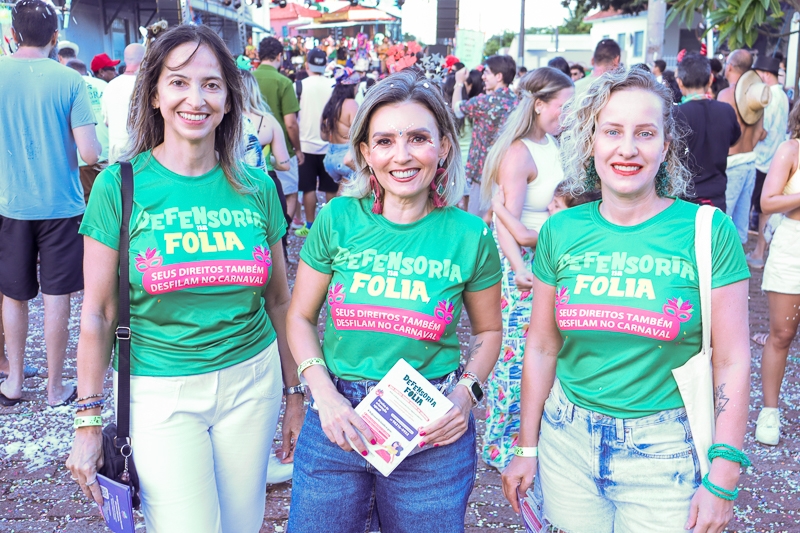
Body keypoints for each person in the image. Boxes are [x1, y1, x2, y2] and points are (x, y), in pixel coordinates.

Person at [65, 25, 303, 532]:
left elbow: (280, 301)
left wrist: (295, 393)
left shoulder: (257, 186)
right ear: (154, 94)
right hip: (159, 391)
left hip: (252, 384)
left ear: (229, 99)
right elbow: (98, 313)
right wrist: (87, 422)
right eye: (178, 82)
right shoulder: (118, 186)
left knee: (241, 525)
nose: (196, 99)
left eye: (211, 85)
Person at [501, 67, 752, 533]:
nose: (628, 148)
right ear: (590, 141)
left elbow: (733, 359)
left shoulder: (707, 231)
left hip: (665, 451)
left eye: (645, 133)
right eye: (612, 131)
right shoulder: (561, 230)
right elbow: (541, 346)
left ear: (667, 145)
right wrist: (526, 446)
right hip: (566, 443)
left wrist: (724, 472)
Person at [285, 70, 503, 533]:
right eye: (384, 141)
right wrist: (323, 394)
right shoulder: (337, 218)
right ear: (366, 153)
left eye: (418, 138)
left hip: (430, 430)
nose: (401, 155)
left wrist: (466, 395)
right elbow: (300, 317)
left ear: (444, 147)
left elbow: (488, 331)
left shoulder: (470, 234)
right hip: (336, 421)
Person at [0, 0, 100, 407]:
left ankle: (13, 381)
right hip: (62, 205)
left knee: (13, 294)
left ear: (13, 34)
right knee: (57, 296)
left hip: (10, 203)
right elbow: (90, 154)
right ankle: (55, 387)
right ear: (55, 37)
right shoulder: (70, 80)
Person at [477, 68, 574, 470]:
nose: (568, 114)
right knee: (514, 354)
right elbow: (505, 222)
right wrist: (518, 267)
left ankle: (531, 437)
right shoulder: (519, 153)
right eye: (563, 106)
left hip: (547, 257)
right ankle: (500, 444)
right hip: (524, 263)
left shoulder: (553, 143)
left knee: (546, 348)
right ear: (538, 105)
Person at [753, 101, 800, 446]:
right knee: (782, 334)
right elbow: (767, 202)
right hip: (793, 245)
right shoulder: (790, 150)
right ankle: (769, 412)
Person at [452, 55, 519, 219]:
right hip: (509, 171)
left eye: (487, 72)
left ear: (499, 76)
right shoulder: (517, 101)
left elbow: (457, 109)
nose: (483, 77)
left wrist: (459, 83)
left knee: (478, 224)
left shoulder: (486, 101)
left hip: (483, 174)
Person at [674, 53, 741, 212]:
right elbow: (734, 140)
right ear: (710, 79)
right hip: (716, 201)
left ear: (680, 82)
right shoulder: (726, 111)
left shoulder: (675, 114)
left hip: (683, 201)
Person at [240, 68, 293, 268]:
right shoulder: (268, 120)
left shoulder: (224, 119)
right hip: (268, 182)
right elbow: (285, 165)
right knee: (275, 235)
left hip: (234, 182)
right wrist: (266, 158)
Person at [717, 49, 770, 244]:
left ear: (730, 66)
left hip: (732, 162)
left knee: (721, 222)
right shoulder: (756, 94)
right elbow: (759, 131)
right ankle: (738, 261)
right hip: (750, 161)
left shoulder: (725, 94)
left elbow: (719, 133)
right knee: (740, 226)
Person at [254, 37, 304, 227]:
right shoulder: (283, 82)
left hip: (251, 150)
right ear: (279, 56)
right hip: (282, 152)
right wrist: (298, 150)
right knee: (290, 194)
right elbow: (290, 123)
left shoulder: (248, 79)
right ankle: (283, 234)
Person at [748, 55, 790, 268]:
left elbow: (763, 132)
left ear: (764, 75)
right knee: (765, 208)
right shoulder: (782, 95)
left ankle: (758, 254)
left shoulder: (769, 96)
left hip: (763, 160)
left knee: (762, 208)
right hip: (774, 159)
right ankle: (760, 252)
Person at [296, 48, 336, 237]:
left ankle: (310, 225)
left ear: (307, 65)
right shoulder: (334, 84)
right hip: (330, 144)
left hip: (305, 145)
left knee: (308, 189)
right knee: (331, 188)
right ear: (325, 65)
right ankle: (330, 226)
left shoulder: (299, 85)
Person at [66, 59, 110, 204]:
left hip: (81, 155)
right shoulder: (103, 85)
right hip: (106, 152)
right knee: (109, 199)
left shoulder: (68, 86)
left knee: (88, 201)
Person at [102, 43, 145, 163]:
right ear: (145, 59)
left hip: (116, 157)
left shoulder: (110, 86)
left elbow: (107, 122)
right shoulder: (146, 85)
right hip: (141, 157)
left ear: (125, 60)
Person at [320, 68, 359, 188]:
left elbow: (323, 136)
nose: (358, 90)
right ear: (352, 87)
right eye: (357, 86)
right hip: (346, 158)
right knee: (347, 194)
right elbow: (359, 133)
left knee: (339, 192)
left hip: (330, 157)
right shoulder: (351, 104)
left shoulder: (330, 105)